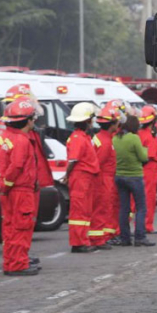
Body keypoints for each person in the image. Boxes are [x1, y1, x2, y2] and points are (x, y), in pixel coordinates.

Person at [0, 100, 40, 276]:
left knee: (10, 229)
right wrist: (8, 184)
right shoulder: (21, 140)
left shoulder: (5, 137)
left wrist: (1, 183)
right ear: (27, 120)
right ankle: (18, 265)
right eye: (33, 118)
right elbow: (17, 166)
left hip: (9, 191)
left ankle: (12, 262)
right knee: (21, 228)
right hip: (20, 191)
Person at [112, 115, 155, 247]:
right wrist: (145, 151)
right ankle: (140, 237)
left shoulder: (115, 138)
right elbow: (143, 157)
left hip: (119, 176)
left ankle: (124, 237)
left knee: (124, 208)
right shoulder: (134, 138)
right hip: (135, 176)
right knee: (141, 207)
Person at [63, 102, 101, 253]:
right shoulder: (79, 138)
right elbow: (73, 160)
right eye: (91, 119)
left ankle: (82, 240)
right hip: (81, 178)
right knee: (79, 211)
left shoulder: (82, 137)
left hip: (85, 178)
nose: (93, 122)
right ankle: (79, 242)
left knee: (84, 210)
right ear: (87, 121)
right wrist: (67, 175)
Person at [90, 105, 122, 248]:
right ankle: (98, 239)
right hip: (103, 179)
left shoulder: (100, 138)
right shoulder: (105, 142)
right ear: (112, 125)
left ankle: (101, 236)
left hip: (104, 178)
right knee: (102, 208)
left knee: (102, 208)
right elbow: (99, 163)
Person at [138, 105, 157, 235]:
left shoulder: (140, 134)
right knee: (149, 198)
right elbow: (149, 156)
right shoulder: (149, 136)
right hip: (150, 169)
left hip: (143, 169)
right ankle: (147, 225)